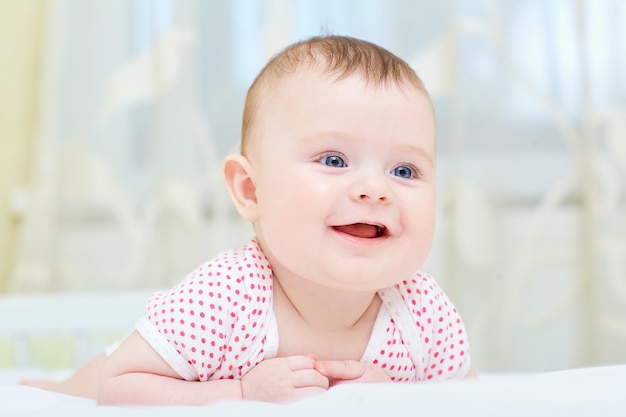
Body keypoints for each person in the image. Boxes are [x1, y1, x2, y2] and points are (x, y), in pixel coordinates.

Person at [22, 34, 474, 405]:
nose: (377, 189)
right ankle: (49, 387)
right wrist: (241, 393)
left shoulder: (423, 313)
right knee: (71, 390)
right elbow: (117, 387)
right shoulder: (227, 294)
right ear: (250, 190)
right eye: (334, 160)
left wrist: (402, 400)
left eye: (404, 170)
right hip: (162, 371)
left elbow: (471, 402)